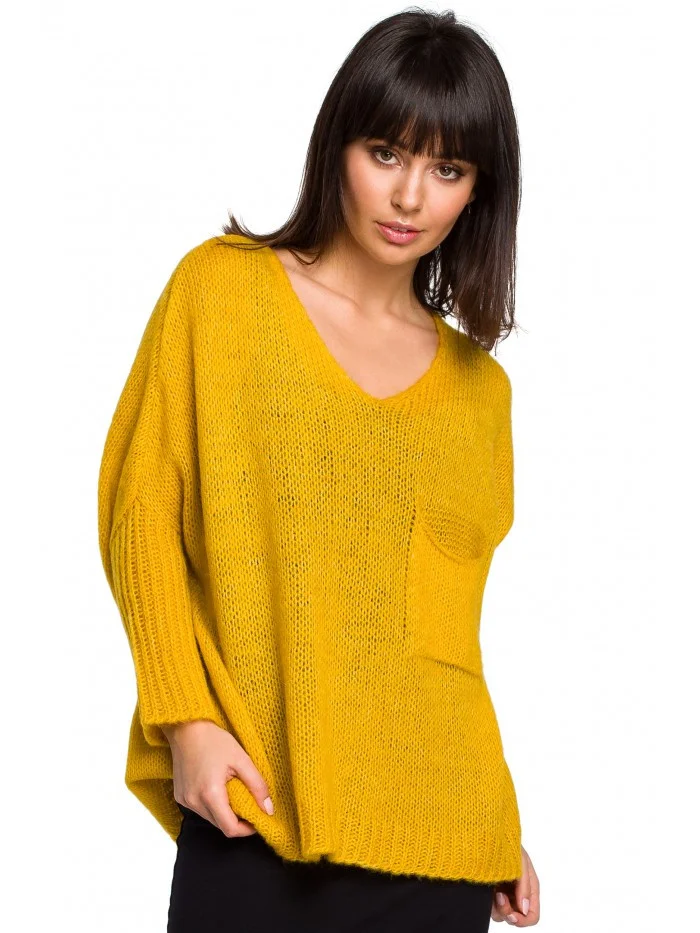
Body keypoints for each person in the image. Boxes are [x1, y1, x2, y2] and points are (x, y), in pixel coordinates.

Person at [97, 7, 541, 932]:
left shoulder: (480, 392)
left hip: (441, 841)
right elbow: (141, 511)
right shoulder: (222, 293)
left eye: (448, 169)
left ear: (477, 193)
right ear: (338, 145)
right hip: (252, 806)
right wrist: (185, 718)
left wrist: (492, 818)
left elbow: (444, 643)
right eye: (387, 152)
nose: (409, 196)